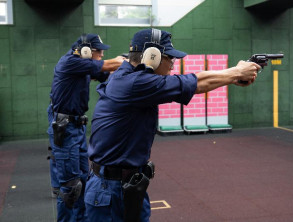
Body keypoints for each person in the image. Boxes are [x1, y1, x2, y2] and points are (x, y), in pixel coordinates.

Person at [85, 28, 261, 222]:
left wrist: (233, 77)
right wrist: (237, 72)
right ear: (152, 56)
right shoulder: (136, 83)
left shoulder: (129, 77)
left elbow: (196, 83)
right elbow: (197, 82)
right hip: (112, 190)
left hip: (123, 184)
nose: (173, 65)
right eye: (170, 58)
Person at [47, 33, 126, 222]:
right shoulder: (71, 62)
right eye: (98, 51)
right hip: (66, 130)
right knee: (71, 187)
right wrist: (126, 61)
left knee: (83, 180)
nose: (100, 55)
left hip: (76, 127)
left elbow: (105, 73)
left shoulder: (83, 66)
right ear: (85, 51)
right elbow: (108, 65)